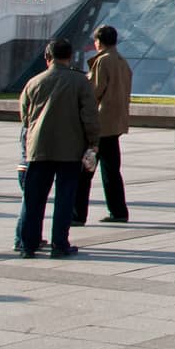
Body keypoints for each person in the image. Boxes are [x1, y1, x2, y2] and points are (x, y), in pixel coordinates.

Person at [18, 39, 99, 258]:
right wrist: (93, 142)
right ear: (70, 57)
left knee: (33, 199)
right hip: (70, 149)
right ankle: (59, 244)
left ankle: (28, 245)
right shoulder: (80, 82)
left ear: (47, 57)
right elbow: (89, 116)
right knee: (65, 198)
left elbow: (25, 117)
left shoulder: (33, 82)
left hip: (38, 147)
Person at [74, 25, 132, 224]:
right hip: (115, 123)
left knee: (85, 171)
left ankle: (77, 214)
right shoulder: (122, 62)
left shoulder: (103, 61)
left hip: (100, 124)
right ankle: (118, 210)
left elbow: (94, 92)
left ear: (99, 41)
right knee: (112, 170)